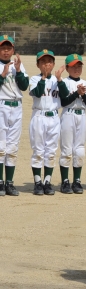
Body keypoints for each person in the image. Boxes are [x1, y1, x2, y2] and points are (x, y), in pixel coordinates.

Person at [28, 49, 68, 196]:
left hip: (54, 118)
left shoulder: (58, 80)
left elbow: (64, 97)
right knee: (38, 150)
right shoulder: (34, 79)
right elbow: (37, 93)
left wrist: (59, 80)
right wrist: (43, 78)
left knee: (51, 151)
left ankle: (47, 181)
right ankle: (37, 182)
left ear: (54, 64)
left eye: (49, 61)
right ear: (38, 64)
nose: (46, 64)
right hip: (39, 116)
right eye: (43, 62)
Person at [59, 54, 86, 194]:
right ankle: (65, 181)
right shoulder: (65, 82)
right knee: (66, 149)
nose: (76, 69)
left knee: (79, 149)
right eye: (73, 66)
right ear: (67, 68)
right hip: (68, 114)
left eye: (79, 66)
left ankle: (77, 181)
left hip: (82, 116)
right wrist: (76, 93)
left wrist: (83, 94)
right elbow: (64, 102)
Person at [0, 35, 28, 197]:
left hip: (16, 106)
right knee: (1, 146)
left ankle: (9, 183)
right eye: (3, 48)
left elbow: (24, 86)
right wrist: (3, 75)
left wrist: (17, 70)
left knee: (12, 146)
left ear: (13, 50)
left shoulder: (19, 66)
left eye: (8, 48)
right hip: (2, 105)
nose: (5, 51)